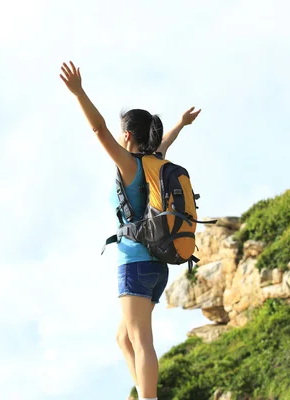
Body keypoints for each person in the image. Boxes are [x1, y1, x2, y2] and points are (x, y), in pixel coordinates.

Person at [59, 61, 201, 400]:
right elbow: (165, 142)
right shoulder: (154, 162)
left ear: (127, 136)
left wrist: (79, 93)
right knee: (124, 338)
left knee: (140, 340)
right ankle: (143, 392)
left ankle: (149, 398)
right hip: (156, 267)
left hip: (135, 264)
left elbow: (98, 130)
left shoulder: (128, 166)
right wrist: (180, 123)